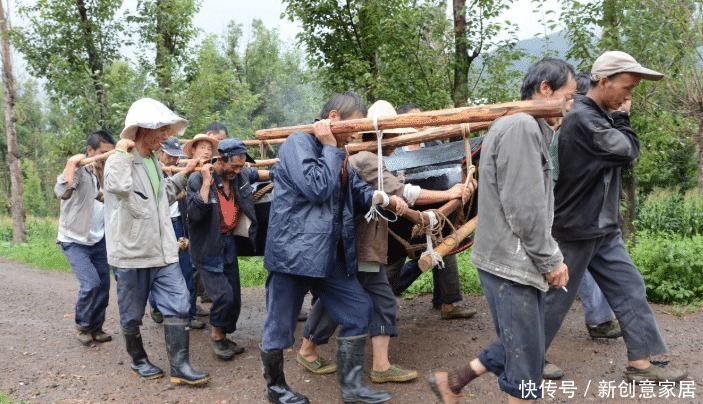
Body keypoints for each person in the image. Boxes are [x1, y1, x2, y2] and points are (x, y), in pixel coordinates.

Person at [296, 100, 473, 384]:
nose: (398, 140)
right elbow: (403, 193)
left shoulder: (363, 157)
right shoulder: (366, 159)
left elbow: (397, 197)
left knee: (375, 300)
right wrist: (448, 193)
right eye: (394, 134)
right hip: (357, 247)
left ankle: (378, 364)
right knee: (346, 301)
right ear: (380, 135)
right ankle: (312, 350)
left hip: (363, 247)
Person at [428, 58, 573, 403]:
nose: (570, 107)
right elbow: (525, 210)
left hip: (510, 260)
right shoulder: (522, 127)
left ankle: (452, 382)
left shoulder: (525, 127)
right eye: (569, 97)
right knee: (526, 368)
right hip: (512, 264)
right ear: (545, 89)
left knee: (523, 342)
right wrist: (551, 259)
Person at [546, 51, 687, 383]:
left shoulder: (597, 114)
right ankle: (524, 358)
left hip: (601, 225)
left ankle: (640, 362)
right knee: (556, 296)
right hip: (577, 226)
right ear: (604, 81)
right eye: (626, 87)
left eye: (633, 90)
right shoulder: (584, 117)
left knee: (629, 287)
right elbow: (627, 151)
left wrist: (619, 116)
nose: (629, 96)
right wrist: (623, 118)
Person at [260, 92, 406, 404]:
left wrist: (382, 198)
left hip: (329, 256)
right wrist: (329, 146)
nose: (356, 132)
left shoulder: (339, 154)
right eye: (354, 124)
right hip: (294, 255)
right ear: (334, 118)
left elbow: (354, 189)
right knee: (279, 326)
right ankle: (276, 389)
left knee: (357, 309)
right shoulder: (298, 144)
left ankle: (352, 390)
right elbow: (317, 187)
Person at [103, 97, 210, 385]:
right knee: (132, 313)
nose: (166, 136)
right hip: (133, 254)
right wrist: (123, 153)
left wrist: (187, 173)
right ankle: (139, 360)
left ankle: (180, 367)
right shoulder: (117, 161)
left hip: (163, 252)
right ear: (141, 130)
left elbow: (161, 197)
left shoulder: (152, 161)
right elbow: (117, 187)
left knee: (179, 303)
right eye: (161, 130)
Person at [386, 102, 477, 320]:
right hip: (400, 216)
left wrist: (466, 187)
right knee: (392, 261)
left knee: (444, 249)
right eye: (415, 122)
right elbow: (399, 189)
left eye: (423, 121)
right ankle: (383, 309)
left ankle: (448, 304)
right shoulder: (392, 150)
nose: (420, 127)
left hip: (436, 212)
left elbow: (455, 174)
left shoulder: (436, 145)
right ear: (402, 126)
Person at [186, 138, 269, 361]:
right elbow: (195, 214)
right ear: (221, 160)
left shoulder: (240, 175)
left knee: (234, 296)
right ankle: (216, 337)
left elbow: (259, 175)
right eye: (234, 165)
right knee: (223, 295)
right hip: (207, 244)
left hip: (228, 242)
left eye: (241, 166)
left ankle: (223, 334)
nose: (237, 170)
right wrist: (205, 183)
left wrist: (282, 171)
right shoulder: (198, 178)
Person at [55, 130, 116, 346]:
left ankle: (96, 327)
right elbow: (61, 190)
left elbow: (103, 197)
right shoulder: (79, 171)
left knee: (103, 286)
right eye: (102, 152)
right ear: (90, 151)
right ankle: (82, 325)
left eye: (110, 153)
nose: (106, 157)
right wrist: (72, 163)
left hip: (98, 238)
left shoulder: (105, 172)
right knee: (90, 284)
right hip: (74, 239)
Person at [147, 137, 205, 330]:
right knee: (157, 268)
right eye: (170, 156)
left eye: (175, 156)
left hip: (178, 225)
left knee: (186, 268)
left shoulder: (180, 170)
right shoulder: (150, 172)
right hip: (157, 227)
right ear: (160, 152)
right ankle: (156, 304)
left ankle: (189, 313)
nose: (173, 159)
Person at [183, 133, 219, 308]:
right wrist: (205, 182)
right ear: (193, 151)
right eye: (202, 148)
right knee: (192, 268)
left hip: (211, 232)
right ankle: (189, 310)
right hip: (195, 228)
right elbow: (196, 213)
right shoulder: (194, 177)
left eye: (209, 148)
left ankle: (192, 308)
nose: (206, 152)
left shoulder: (214, 171)